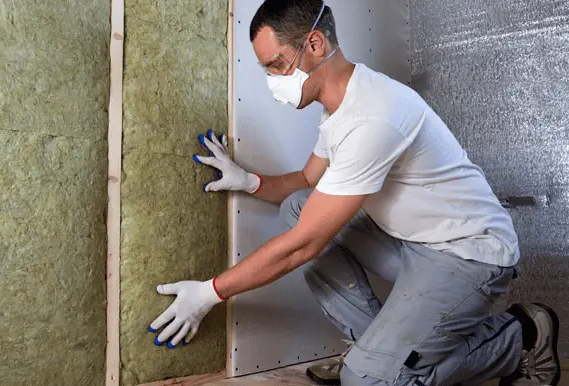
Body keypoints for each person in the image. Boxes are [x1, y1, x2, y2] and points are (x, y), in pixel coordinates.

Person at [147, 1, 562, 385]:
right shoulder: (339, 109)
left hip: (469, 256)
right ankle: (374, 353)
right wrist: (249, 181)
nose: (272, 80)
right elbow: (308, 182)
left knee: (367, 380)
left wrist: (210, 292)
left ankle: (520, 336)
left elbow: (303, 247)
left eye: (276, 65)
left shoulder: (374, 115)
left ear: (314, 43)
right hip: (413, 244)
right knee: (298, 208)